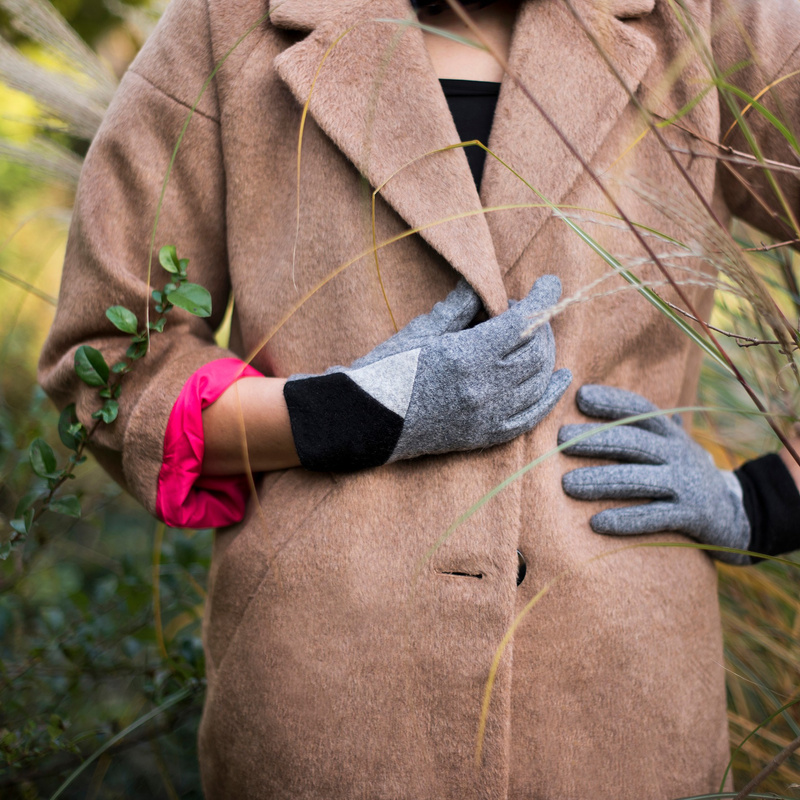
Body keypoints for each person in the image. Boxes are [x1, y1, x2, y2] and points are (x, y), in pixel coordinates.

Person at [38, 0, 800, 797]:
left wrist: (763, 500)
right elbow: (108, 364)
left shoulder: (704, 17)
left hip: (624, 709)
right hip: (330, 712)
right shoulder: (228, 24)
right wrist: (352, 411)